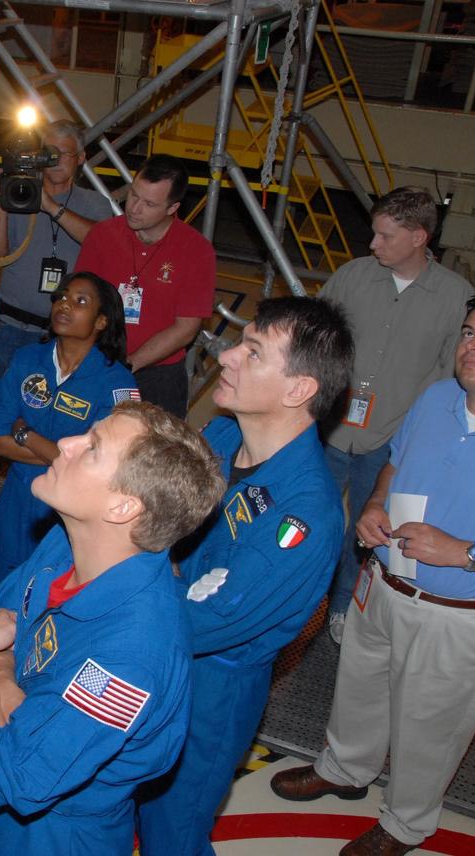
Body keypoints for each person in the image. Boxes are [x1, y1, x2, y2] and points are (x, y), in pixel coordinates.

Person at [271, 293, 475, 856]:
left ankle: (405, 823)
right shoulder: (438, 398)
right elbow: (396, 462)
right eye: (469, 332)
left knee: (431, 728)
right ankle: (345, 768)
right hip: (388, 583)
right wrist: (375, 505)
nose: (473, 344)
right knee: (358, 689)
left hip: (462, 615)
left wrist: (464, 553)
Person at [135, 296, 354, 856]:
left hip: (210, 690)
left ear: (298, 389)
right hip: (158, 648)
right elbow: (157, 521)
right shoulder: (226, 439)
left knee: (172, 830)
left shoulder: (305, 514)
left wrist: (117, 599)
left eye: (253, 352)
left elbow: (213, 617)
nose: (227, 355)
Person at [0, 401, 224, 853]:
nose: (64, 443)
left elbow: (9, 775)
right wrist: (11, 697)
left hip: (56, 836)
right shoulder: (69, 539)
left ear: (123, 507)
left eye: (92, 448)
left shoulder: (133, 654)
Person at [318, 186, 475, 644]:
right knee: (309, 521)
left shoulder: (456, 299)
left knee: (369, 535)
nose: (374, 245)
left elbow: (451, 383)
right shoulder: (351, 277)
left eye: (386, 236)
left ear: (419, 237)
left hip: (389, 444)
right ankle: (296, 597)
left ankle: (344, 605)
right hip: (330, 430)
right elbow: (318, 337)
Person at [0, 120, 116, 502]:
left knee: (53, 402)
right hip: (14, 322)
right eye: (45, 152)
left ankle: (54, 464)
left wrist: (49, 206)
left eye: (60, 153)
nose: (51, 161)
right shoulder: (20, 194)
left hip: (66, 333)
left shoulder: (92, 204)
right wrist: (4, 202)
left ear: (80, 158)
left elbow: (102, 241)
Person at [0, 271, 137, 585]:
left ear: (101, 321)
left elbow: (102, 465)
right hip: (18, 495)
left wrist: (26, 434)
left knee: (57, 587)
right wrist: (61, 455)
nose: (64, 305)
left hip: (72, 509)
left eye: (80, 301)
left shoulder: (118, 384)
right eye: (61, 297)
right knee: (6, 584)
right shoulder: (27, 359)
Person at [74, 154, 216, 417]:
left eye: (149, 204)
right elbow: (80, 301)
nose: (134, 208)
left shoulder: (196, 250)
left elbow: (186, 328)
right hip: (97, 363)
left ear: (172, 208)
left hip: (158, 377)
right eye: (134, 195)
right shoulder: (103, 235)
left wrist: (128, 364)